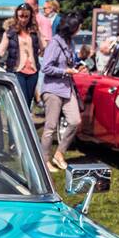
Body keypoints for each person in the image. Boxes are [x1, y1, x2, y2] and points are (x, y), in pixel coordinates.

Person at [38, 11, 83, 172]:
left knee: (75, 120)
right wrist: (65, 71)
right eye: (79, 25)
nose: (80, 27)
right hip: (52, 89)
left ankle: (59, 153)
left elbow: (70, 61)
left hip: (66, 87)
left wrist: (77, 66)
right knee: (50, 127)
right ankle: (44, 161)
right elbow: (46, 67)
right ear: (72, 27)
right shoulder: (55, 43)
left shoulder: (70, 42)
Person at [2, 2, 42, 107]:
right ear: (16, 16)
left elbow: (43, 48)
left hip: (33, 72)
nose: (23, 19)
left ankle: (23, 122)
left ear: (30, 16)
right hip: (17, 71)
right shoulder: (10, 32)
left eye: (26, 16)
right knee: (21, 101)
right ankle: (16, 123)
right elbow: (0, 51)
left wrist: (40, 34)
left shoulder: (34, 31)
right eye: (21, 16)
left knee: (28, 102)